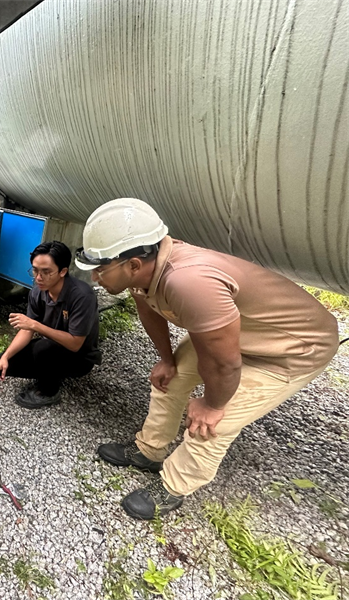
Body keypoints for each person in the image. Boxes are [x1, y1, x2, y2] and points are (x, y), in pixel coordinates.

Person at [76, 198, 339, 520]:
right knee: (168, 380)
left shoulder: (189, 282)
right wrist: (167, 359)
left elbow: (224, 364)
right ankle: (149, 450)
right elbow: (148, 309)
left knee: (215, 422)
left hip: (292, 350)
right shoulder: (145, 269)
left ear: (132, 265)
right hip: (237, 337)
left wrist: (212, 404)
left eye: (101, 270)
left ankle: (174, 486)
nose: (95, 279)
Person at [0, 241, 101, 408]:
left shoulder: (82, 296)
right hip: (49, 349)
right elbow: (26, 330)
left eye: (46, 272)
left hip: (79, 358)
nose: (38, 278)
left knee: (43, 349)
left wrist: (35, 325)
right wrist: (6, 356)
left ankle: (49, 391)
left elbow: (75, 344)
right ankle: (51, 372)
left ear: (63, 271)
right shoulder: (38, 291)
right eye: (35, 270)